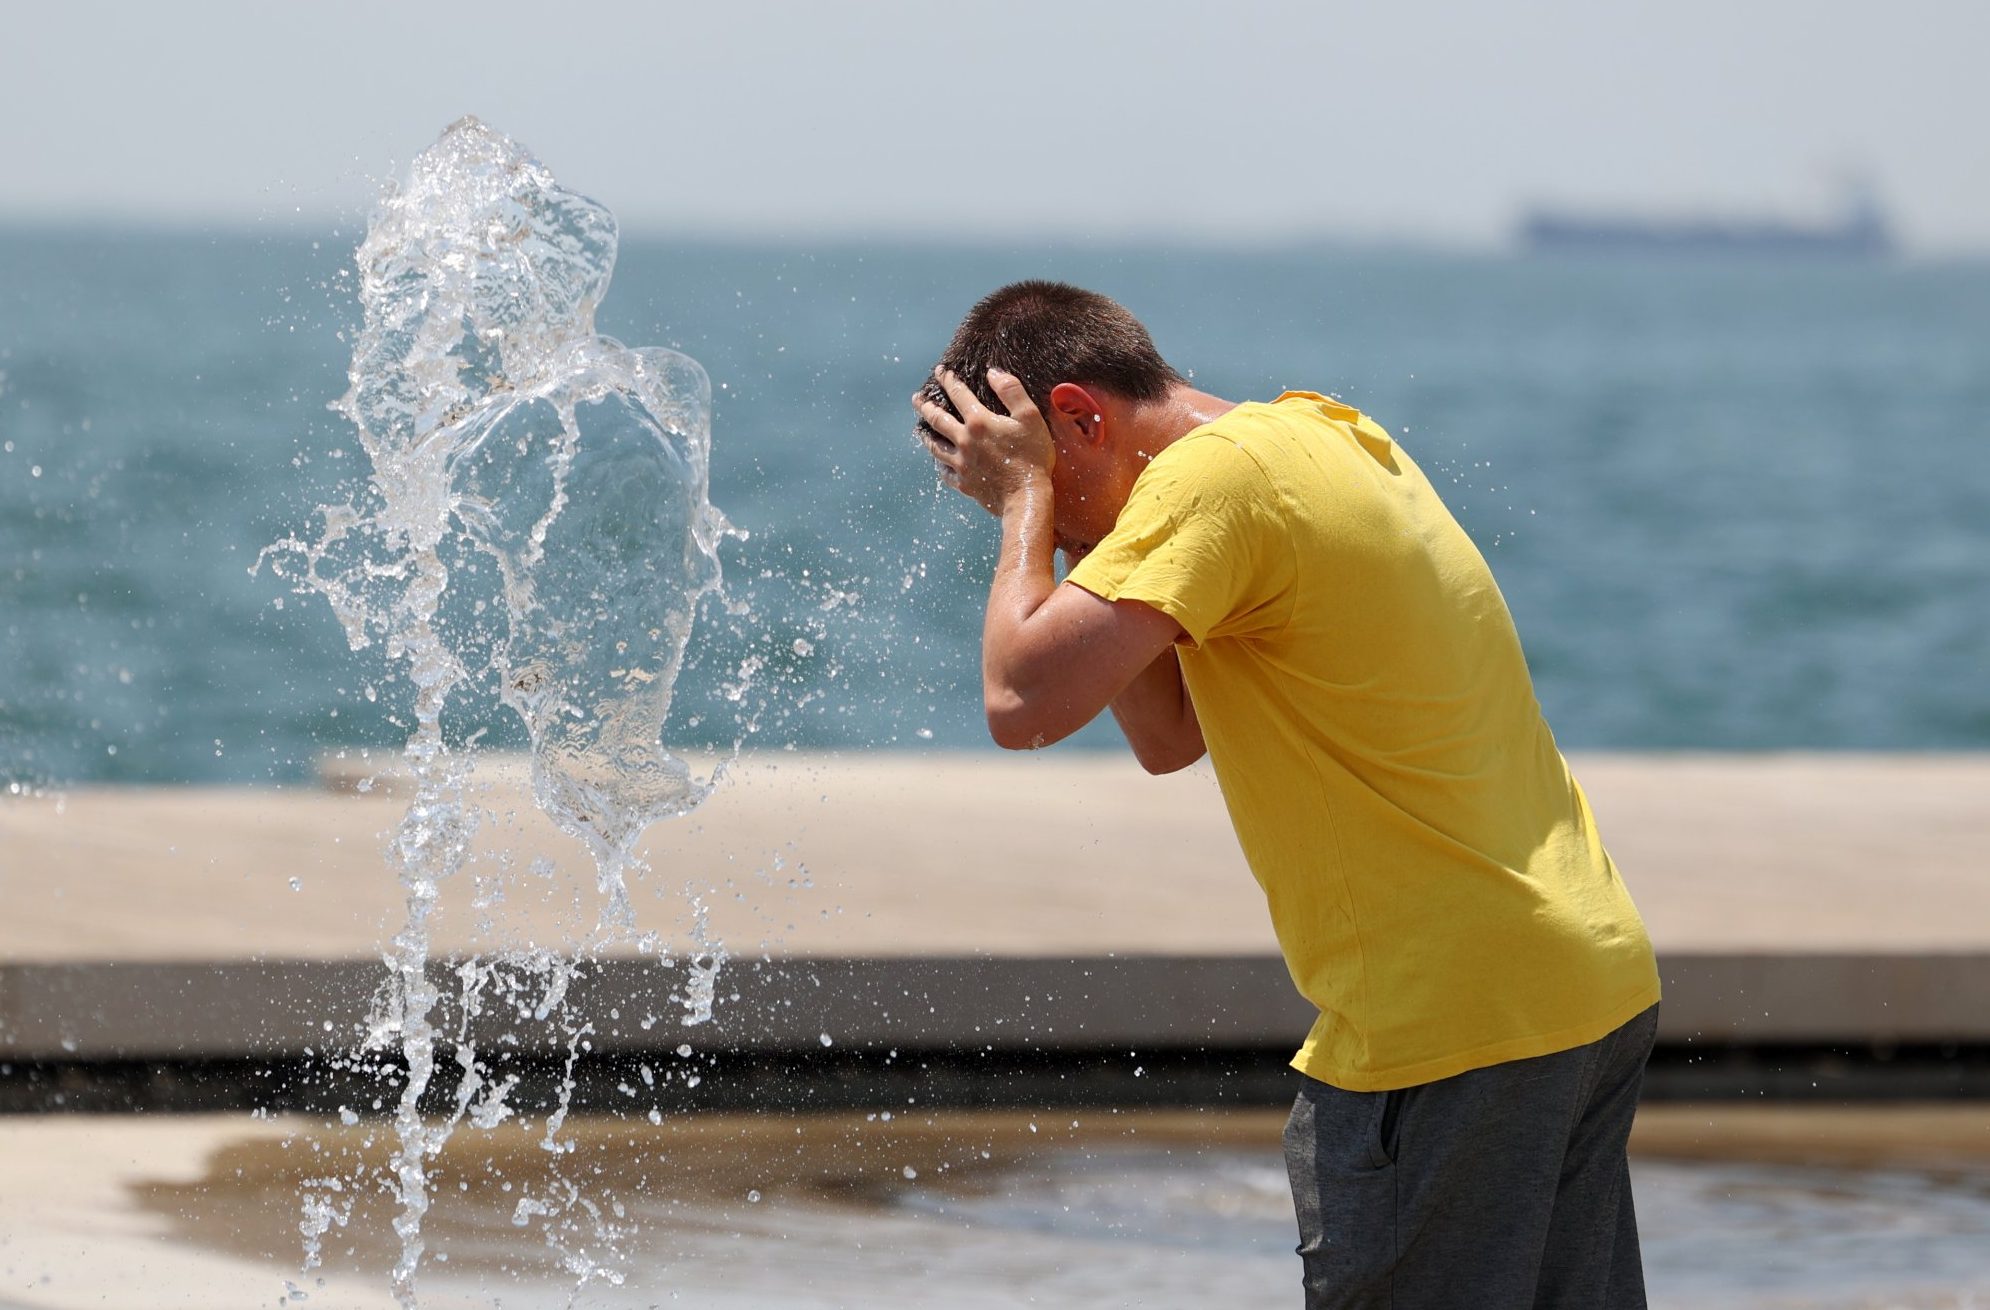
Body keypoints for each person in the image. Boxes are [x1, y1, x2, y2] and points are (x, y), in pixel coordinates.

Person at [912, 280, 1661, 1309]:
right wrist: (1074, 517)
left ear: (1080, 416)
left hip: (1449, 1023)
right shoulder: (1317, 436)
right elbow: (1170, 736)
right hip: (1577, 983)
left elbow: (1019, 699)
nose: (1022, 515)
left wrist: (1024, 508)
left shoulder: (1211, 486)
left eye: (1024, 470)